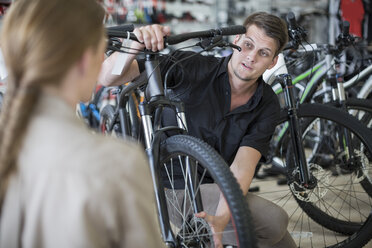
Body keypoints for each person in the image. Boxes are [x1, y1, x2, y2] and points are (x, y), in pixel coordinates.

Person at [99, 12, 297, 248]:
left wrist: (222, 218)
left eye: (263, 53)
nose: (251, 57)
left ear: (273, 61)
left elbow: (243, 165)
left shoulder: (267, 102)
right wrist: (132, 46)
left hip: (217, 186)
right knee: (275, 222)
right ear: (235, 42)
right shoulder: (191, 66)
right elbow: (107, 78)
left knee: (283, 243)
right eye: (247, 45)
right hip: (173, 185)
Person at [0, 0, 165, 247]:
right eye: (102, 49)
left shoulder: (13, 143)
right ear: (85, 59)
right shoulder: (117, 163)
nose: (103, 59)